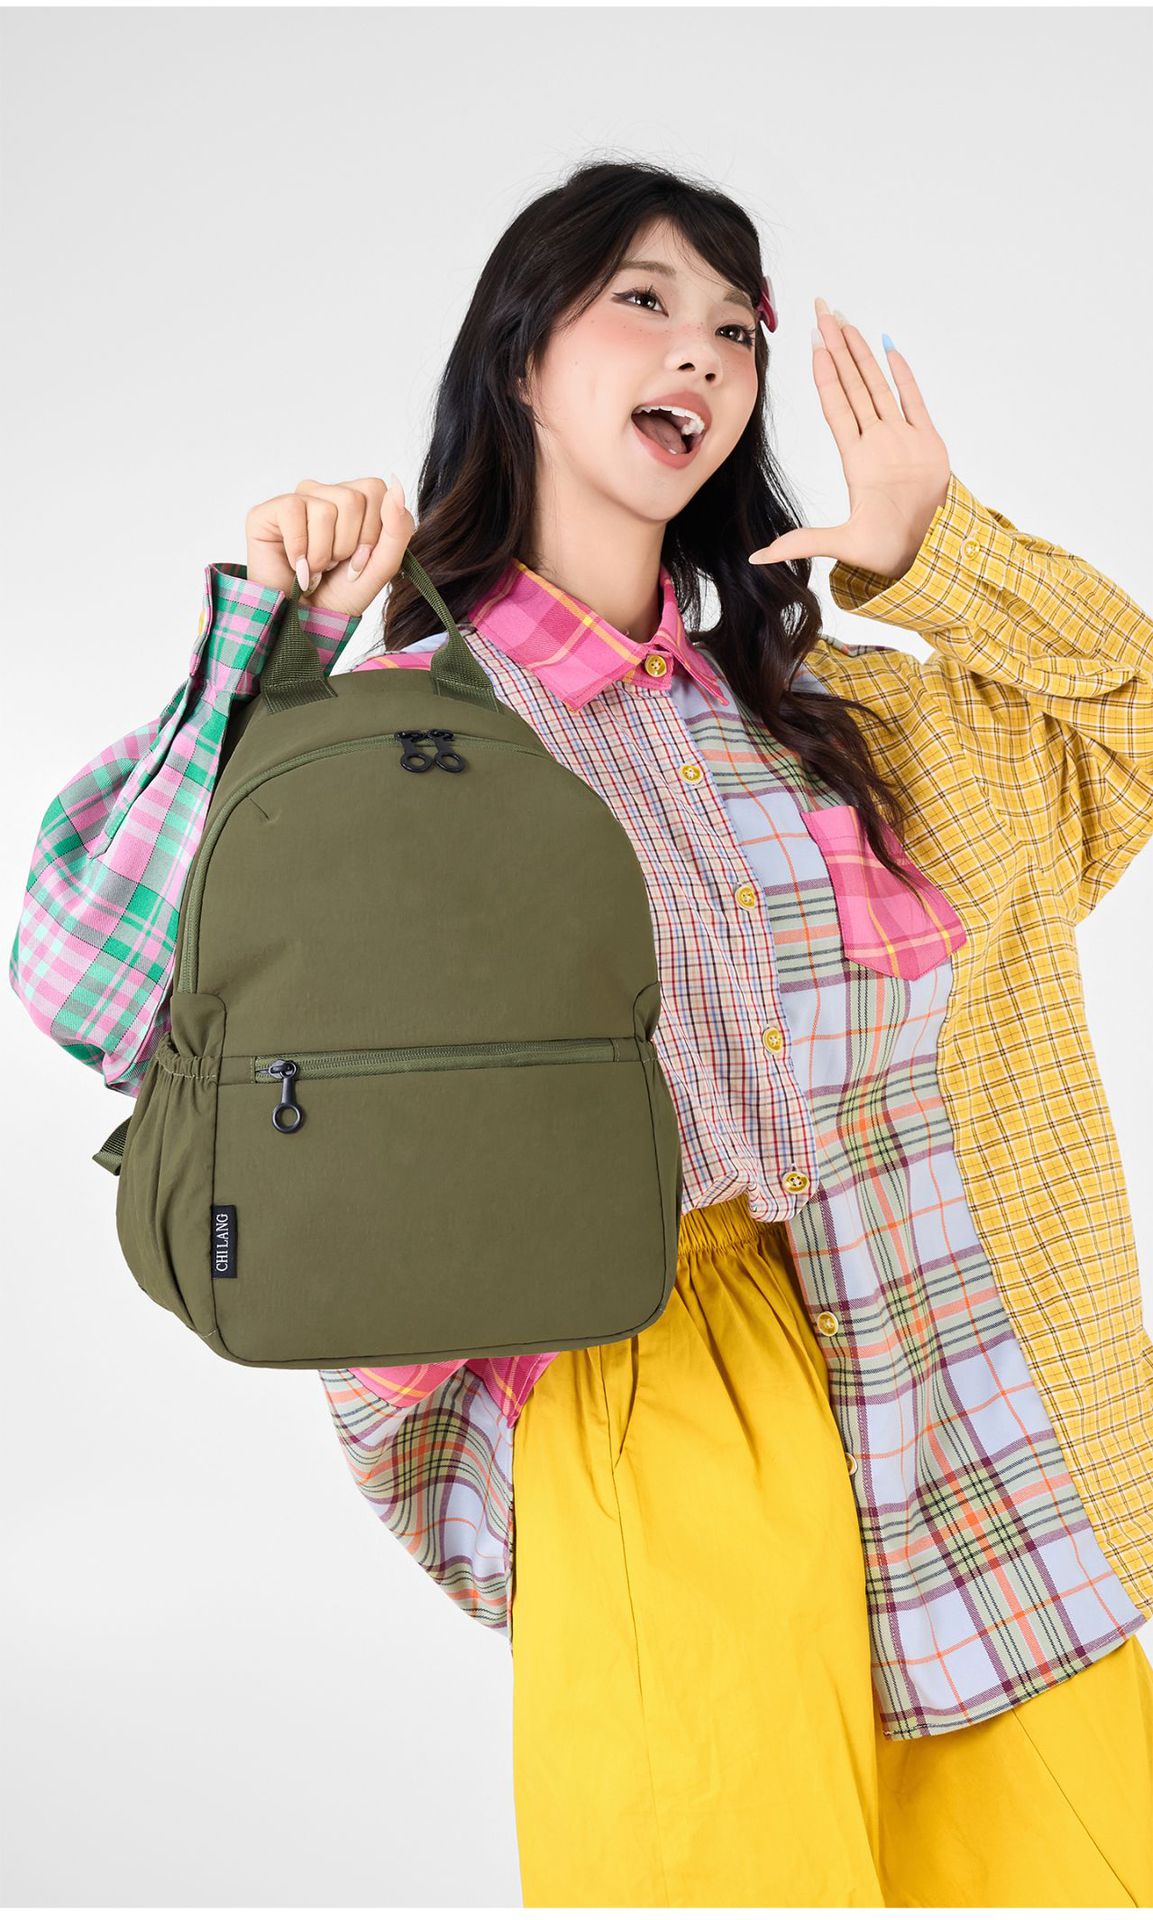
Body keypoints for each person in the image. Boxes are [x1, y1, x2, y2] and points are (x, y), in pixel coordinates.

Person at [10, 157, 1153, 1906]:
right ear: (523, 357)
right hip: (645, 1371)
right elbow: (88, 976)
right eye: (642, 299)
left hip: (945, 1360)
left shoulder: (840, 726)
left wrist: (940, 553)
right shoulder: (396, 743)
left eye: (736, 328)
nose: (700, 350)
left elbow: (1129, 729)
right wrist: (272, 646)